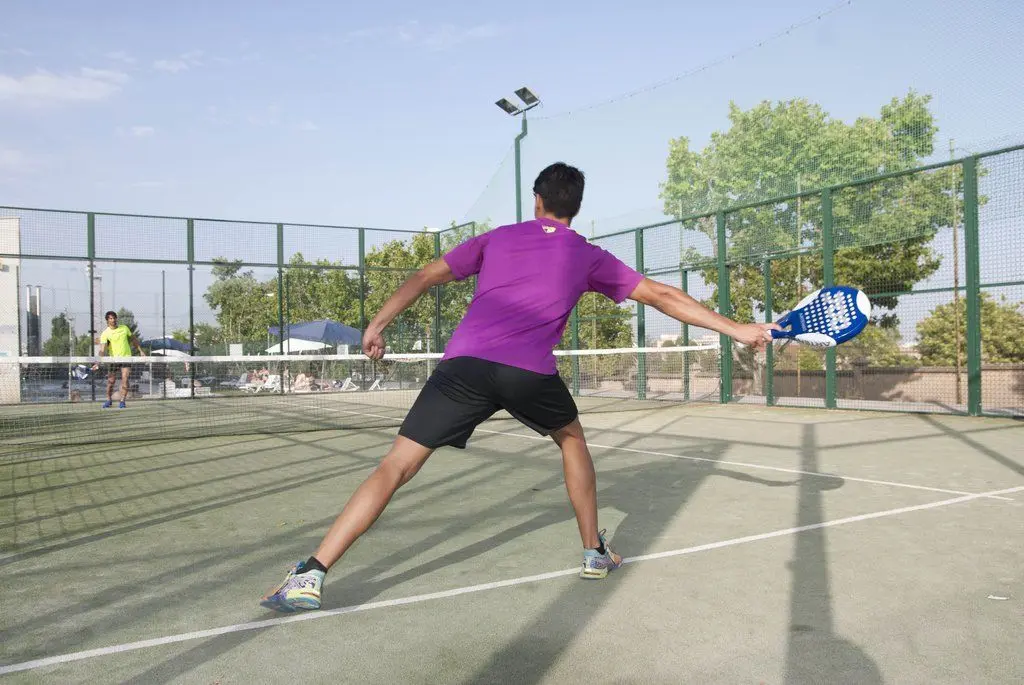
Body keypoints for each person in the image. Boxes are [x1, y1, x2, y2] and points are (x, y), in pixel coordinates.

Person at [260, 162, 778, 612]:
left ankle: (312, 573)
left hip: (464, 367)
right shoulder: (587, 254)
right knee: (571, 439)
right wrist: (737, 329)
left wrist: (376, 325)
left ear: (537, 199)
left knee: (395, 466)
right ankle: (593, 553)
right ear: (576, 207)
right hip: (528, 373)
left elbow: (423, 277)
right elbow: (662, 295)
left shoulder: (497, 238)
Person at [92, 310, 146, 409]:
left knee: (125, 379)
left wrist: (141, 351)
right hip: (113, 360)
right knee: (111, 381)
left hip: (126, 358)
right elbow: (102, 350)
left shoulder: (124, 328)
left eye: (114, 318)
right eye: (111, 318)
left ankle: (122, 401)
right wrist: (98, 362)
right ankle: (109, 400)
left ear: (116, 319)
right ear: (107, 320)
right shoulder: (105, 333)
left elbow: (133, 339)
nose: (113, 320)